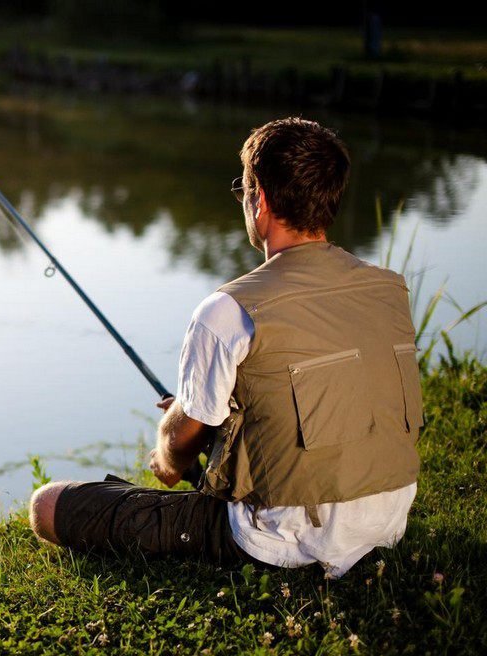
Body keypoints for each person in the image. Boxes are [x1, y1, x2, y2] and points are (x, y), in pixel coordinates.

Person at [29, 117, 424, 578]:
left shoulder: (228, 310)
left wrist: (168, 454)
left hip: (282, 542)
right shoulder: (388, 289)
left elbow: (182, 438)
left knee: (48, 506)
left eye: (245, 191)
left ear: (262, 203)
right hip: (388, 521)